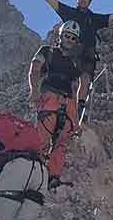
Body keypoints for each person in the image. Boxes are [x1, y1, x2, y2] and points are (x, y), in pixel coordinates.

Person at [29, 21, 84, 183]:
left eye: (73, 38)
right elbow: (34, 70)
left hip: (67, 102)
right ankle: (34, 172)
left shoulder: (75, 63)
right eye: (67, 36)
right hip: (50, 98)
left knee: (62, 142)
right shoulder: (47, 51)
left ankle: (53, 176)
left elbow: (74, 90)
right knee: (42, 139)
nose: (69, 40)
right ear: (60, 36)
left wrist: (75, 120)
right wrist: (34, 91)